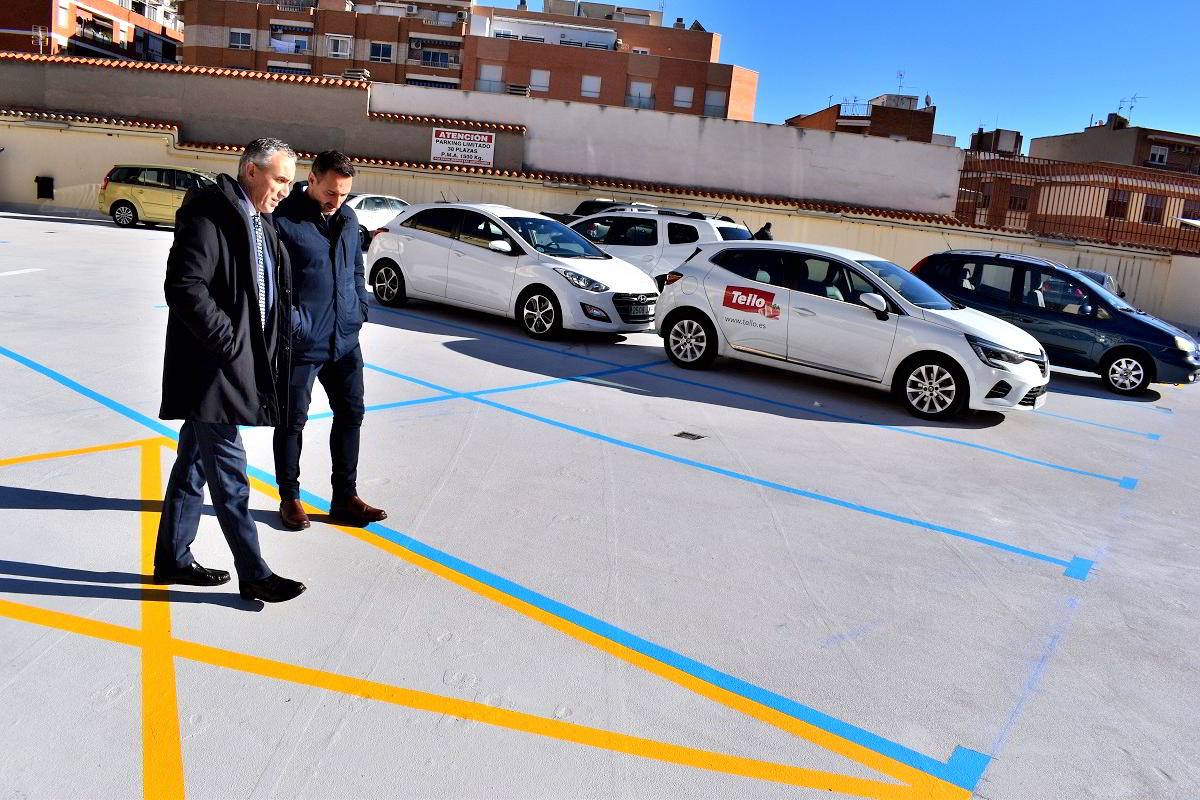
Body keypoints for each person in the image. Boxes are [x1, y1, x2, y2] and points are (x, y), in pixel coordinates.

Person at [154, 137, 307, 604]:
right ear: (250, 171)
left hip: (235, 363)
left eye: (290, 183)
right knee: (230, 473)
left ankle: (172, 559)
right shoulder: (209, 215)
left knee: (193, 464)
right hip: (211, 367)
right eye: (280, 179)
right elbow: (184, 287)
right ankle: (254, 571)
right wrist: (230, 342)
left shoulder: (260, 222)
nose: (285, 190)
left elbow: (265, 293)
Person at [272, 150, 388, 531]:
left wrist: (359, 310)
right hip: (303, 342)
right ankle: (290, 498)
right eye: (331, 192)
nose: (336, 201)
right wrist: (290, 324)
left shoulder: (348, 218)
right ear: (312, 178)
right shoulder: (284, 219)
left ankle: (345, 498)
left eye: (344, 194)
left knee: (352, 414)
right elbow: (269, 279)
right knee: (292, 420)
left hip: (344, 339)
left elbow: (356, 268)